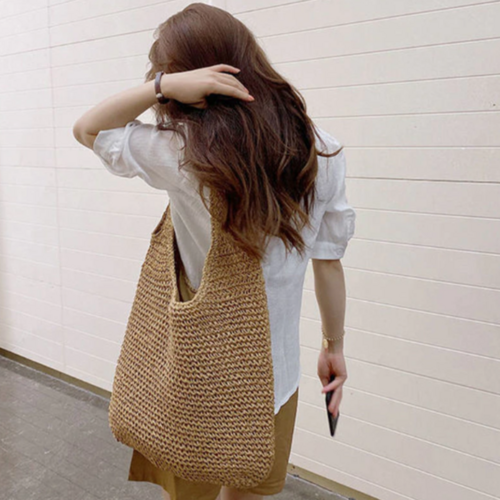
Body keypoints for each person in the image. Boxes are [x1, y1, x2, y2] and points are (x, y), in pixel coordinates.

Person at [72, 3, 355, 500]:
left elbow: (87, 129)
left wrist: (160, 87)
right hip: (275, 377)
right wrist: (334, 346)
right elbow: (328, 263)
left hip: (200, 376)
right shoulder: (321, 149)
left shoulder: (183, 153)